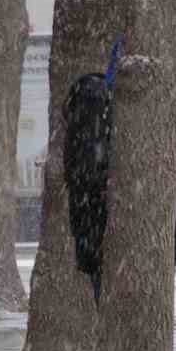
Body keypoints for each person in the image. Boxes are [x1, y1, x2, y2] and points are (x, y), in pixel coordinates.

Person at [64, 74, 113, 301]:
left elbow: (74, 173)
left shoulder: (76, 127)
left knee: (98, 278)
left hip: (85, 215)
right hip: (97, 212)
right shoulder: (102, 127)